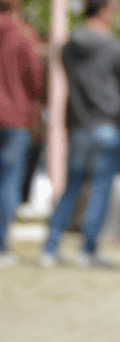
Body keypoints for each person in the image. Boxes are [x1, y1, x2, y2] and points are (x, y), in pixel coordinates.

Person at [40, 0, 120, 267]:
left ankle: (50, 245)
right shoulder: (116, 48)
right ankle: (88, 249)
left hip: (78, 124)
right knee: (100, 189)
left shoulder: (68, 47)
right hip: (107, 124)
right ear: (104, 10)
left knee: (71, 186)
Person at [0, 0, 44, 266]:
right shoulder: (24, 34)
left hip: (14, 117)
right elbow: (34, 80)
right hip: (15, 118)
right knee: (8, 180)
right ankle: (1, 245)